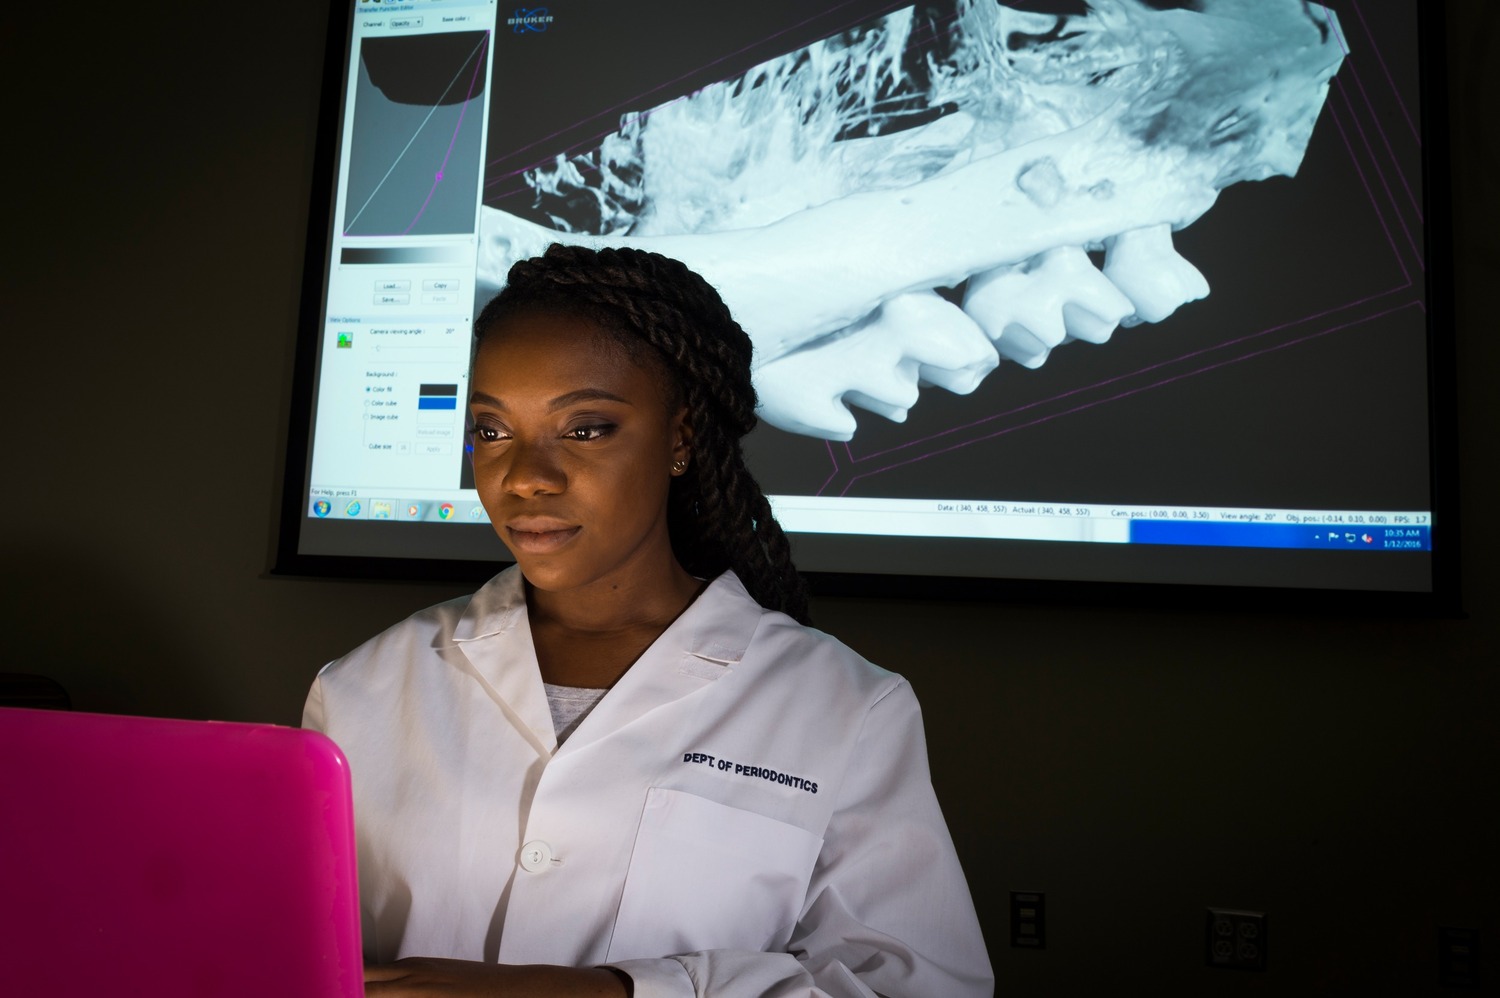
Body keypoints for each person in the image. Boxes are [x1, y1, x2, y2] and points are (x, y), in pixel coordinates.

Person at [303, 244, 993, 997]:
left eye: (586, 428)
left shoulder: (847, 708)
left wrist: (612, 993)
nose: (526, 477)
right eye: (493, 430)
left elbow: (918, 986)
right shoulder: (362, 690)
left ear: (681, 438)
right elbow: (285, 949)